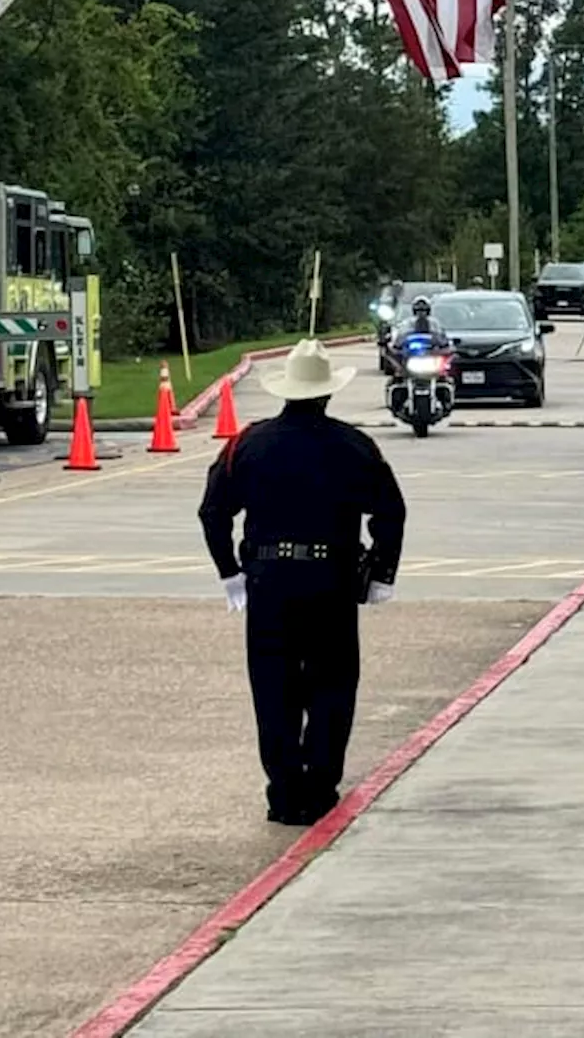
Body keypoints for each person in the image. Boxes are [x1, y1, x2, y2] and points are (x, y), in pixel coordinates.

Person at [198, 339, 406, 827]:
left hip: (269, 583)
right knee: (332, 684)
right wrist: (381, 573)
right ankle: (321, 786)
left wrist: (230, 572)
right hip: (331, 580)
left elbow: (212, 513)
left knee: (274, 688)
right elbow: (391, 513)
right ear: (328, 394)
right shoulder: (355, 446)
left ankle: (285, 793)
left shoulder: (246, 444)